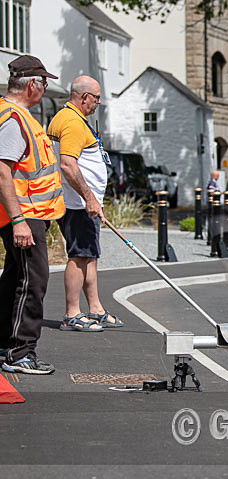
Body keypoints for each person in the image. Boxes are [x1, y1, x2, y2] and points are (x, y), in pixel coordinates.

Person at [0, 55, 63, 374]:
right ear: (33, 85)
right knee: (33, 280)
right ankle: (20, 352)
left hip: (25, 214)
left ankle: (5, 344)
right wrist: (19, 221)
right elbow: (3, 172)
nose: (45, 88)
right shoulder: (14, 119)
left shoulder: (15, 114)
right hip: (24, 215)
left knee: (15, 278)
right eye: (45, 83)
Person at [48, 75, 122, 332]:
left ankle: (95, 309)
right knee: (79, 255)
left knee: (90, 255)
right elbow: (68, 164)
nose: (98, 102)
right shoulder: (71, 122)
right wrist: (89, 198)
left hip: (83, 202)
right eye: (96, 98)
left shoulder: (71, 118)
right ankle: (72, 313)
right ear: (84, 97)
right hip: (78, 203)